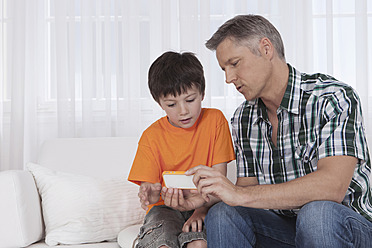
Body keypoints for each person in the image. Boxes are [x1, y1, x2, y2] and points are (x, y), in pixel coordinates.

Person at [161, 15, 372, 247]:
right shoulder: (244, 117)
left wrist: (238, 194)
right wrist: (204, 200)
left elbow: (332, 187)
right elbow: (246, 190)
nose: (229, 78)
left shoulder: (331, 98)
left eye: (234, 63)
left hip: (343, 226)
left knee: (317, 214)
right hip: (284, 229)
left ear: (266, 48)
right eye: (224, 69)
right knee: (223, 213)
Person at [128, 51, 235, 248]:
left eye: (190, 100)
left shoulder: (215, 121)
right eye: (171, 104)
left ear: (202, 94)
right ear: (159, 103)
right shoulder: (151, 136)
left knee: (199, 243)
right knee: (162, 244)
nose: (183, 111)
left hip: (206, 204)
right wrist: (149, 194)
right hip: (164, 209)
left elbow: (219, 183)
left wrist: (201, 210)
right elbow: (151, 192)